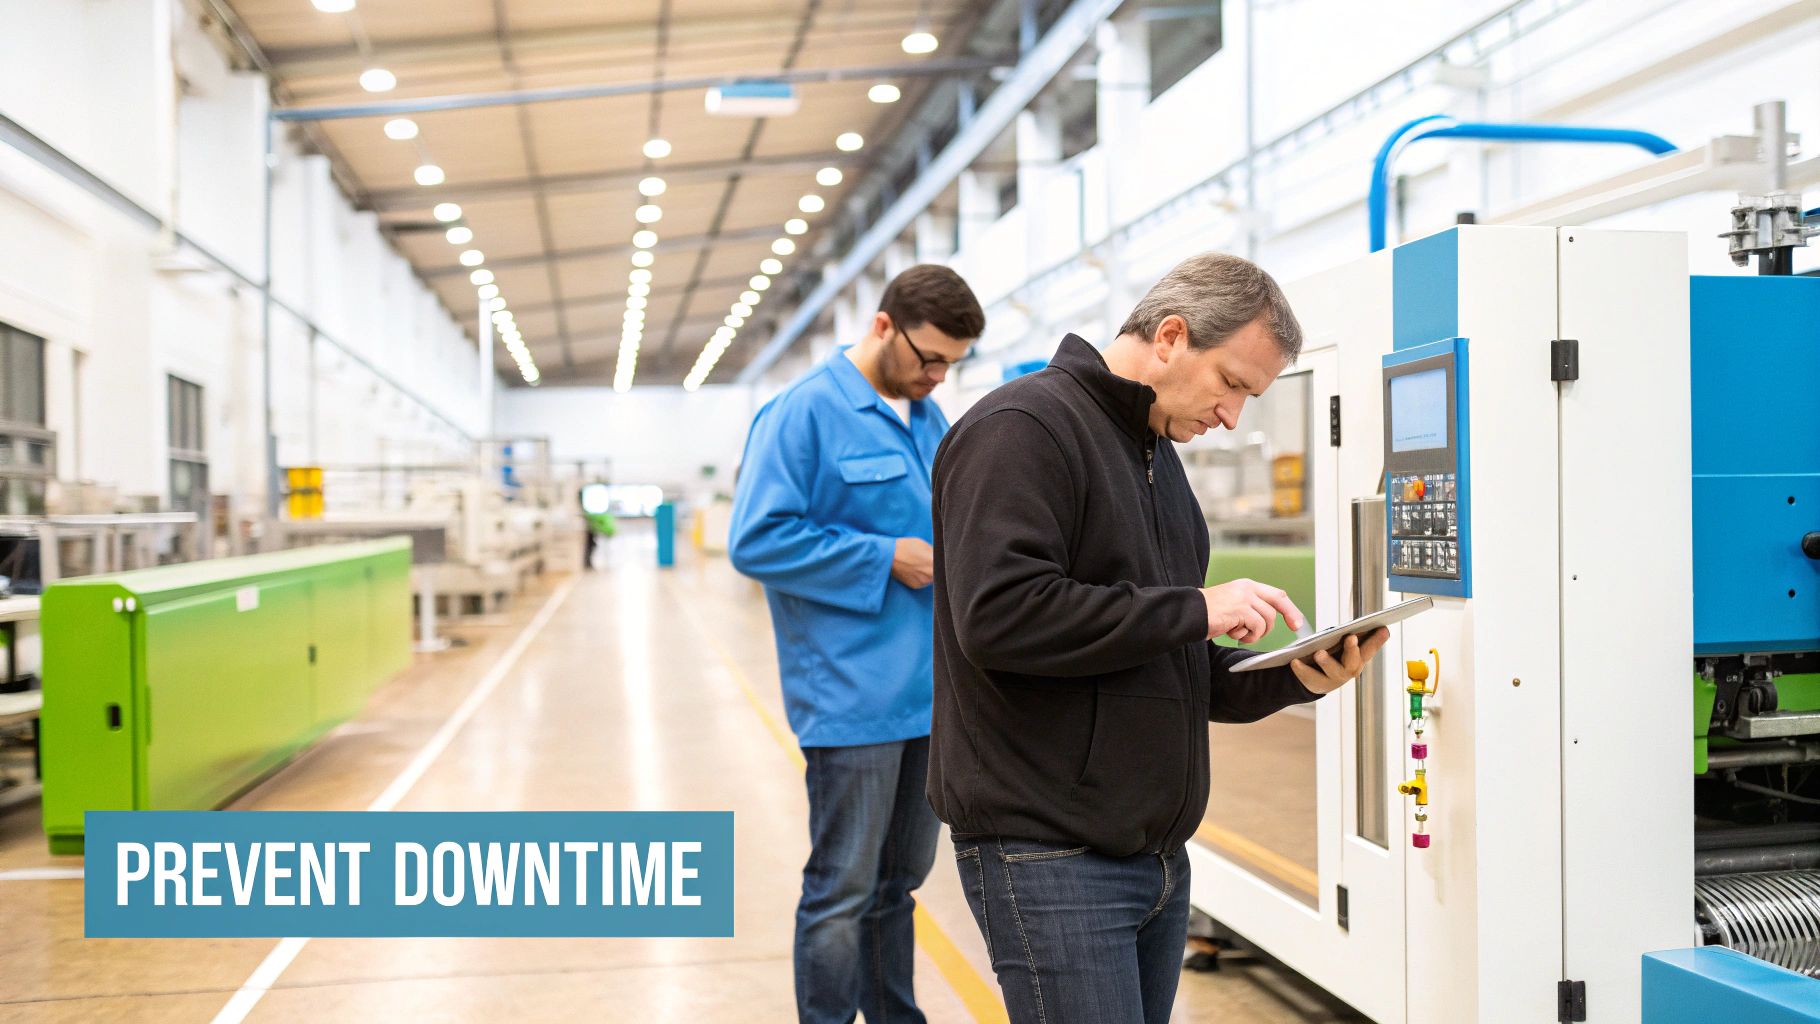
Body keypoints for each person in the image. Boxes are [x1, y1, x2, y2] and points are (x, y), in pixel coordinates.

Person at [928, 252, 1388, 1024]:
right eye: (1232, 384)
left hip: (1156, 860)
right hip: (1047, 851)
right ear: (1170, 336)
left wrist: (1293, 676)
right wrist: (1197, 608)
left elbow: (1168, 665)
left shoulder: (1155, 461)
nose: (1234, 416)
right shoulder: (1023, 430)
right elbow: (1001, 615)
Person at [728, 264, 986, 1024]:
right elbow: (757, 540)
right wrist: (884, 556)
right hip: (851, 697)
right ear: (882, 327)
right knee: (841, 888)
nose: (937, 376)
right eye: (928, 357)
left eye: (950, 364)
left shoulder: (927, 419)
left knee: (896, 887)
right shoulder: (802, 414)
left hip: (930, 701)